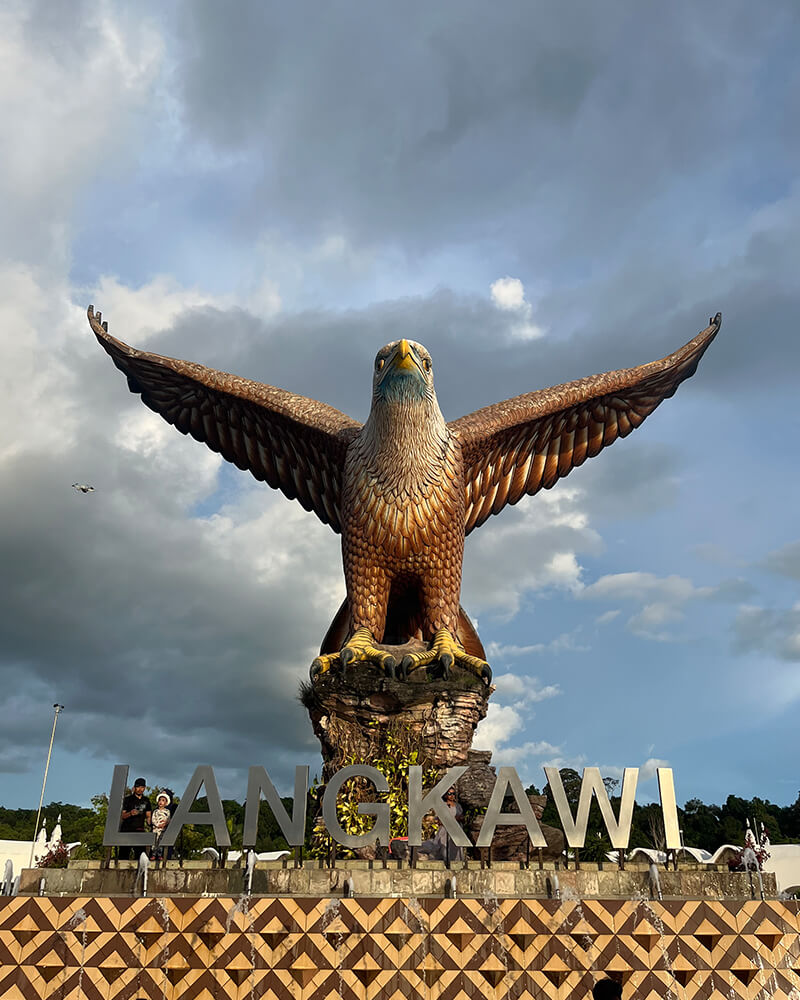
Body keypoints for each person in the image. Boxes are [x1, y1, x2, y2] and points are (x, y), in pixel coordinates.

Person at [118, 778, 152, 860]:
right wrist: (130, 813)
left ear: (145, 788)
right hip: (127, 830)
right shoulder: (128, 800)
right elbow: (122, 816)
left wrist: (153, 824)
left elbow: (148, 816)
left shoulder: (146, 801)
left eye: (142, 787)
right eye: (138, 787)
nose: (140, 789)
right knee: (123, 855)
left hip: (139, 830)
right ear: (134, 788)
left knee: (141, 855)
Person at [150, 791, 172, 860]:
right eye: (160, 800)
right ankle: (153, 854)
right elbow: (153, 819)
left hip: (163, 830)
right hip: (156, 829)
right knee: (154, 842)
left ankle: (160, 855)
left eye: (163, 800)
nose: (161, 802)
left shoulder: (167, 811)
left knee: (161, 842)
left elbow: (168, 819)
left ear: (166, 803)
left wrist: (164, 824)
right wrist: (158, 824)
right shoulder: (155, 811)